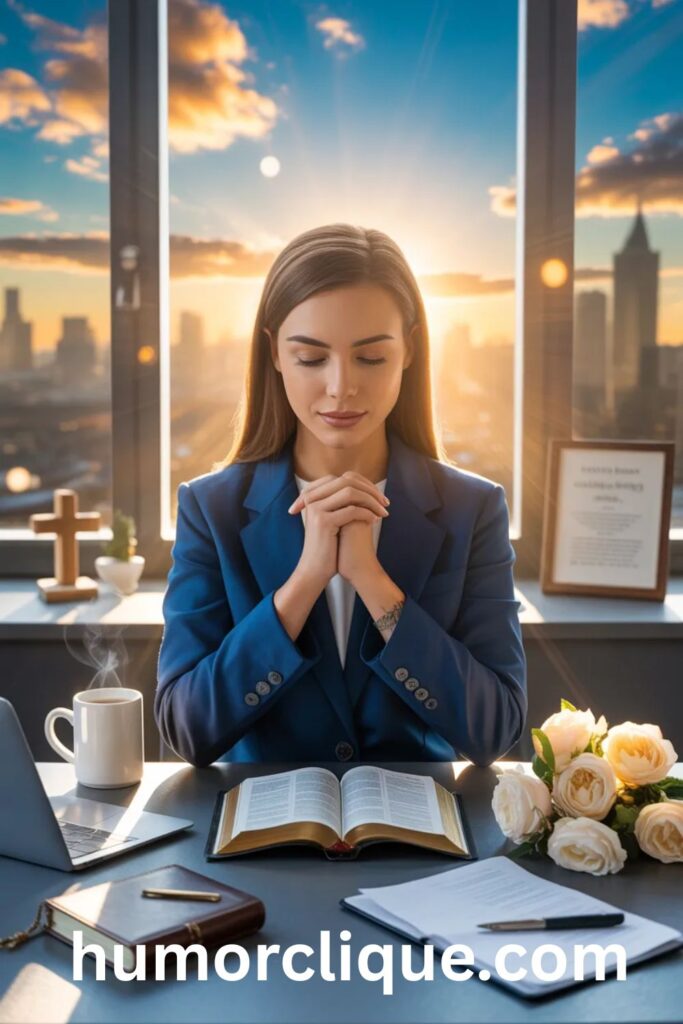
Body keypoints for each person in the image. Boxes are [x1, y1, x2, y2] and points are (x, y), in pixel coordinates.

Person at [155, 223, 527, 768]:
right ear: (275, 355)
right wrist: (302, 584)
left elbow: (496, 731)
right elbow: (186, 730)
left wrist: (376, 587)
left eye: (370, 358)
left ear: (409, 351)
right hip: (259, 841)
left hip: (425, 839)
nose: (340, 386)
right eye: (311, 358)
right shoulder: (211, 510)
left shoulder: (474, 509)